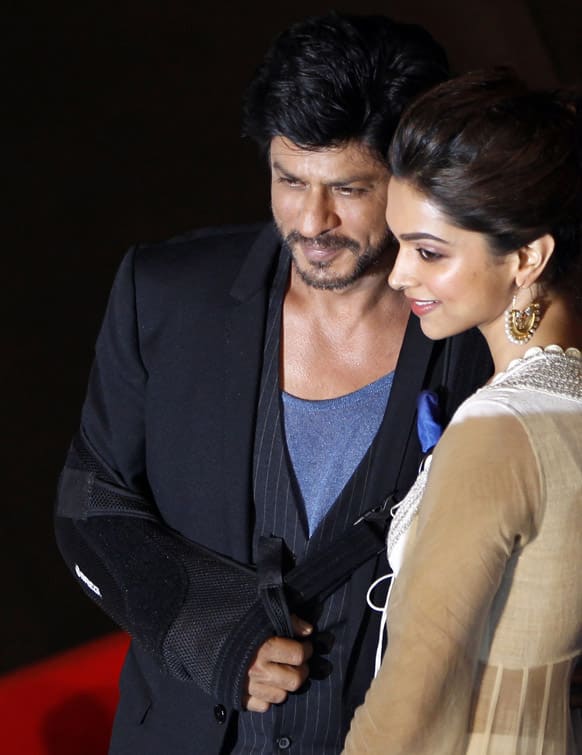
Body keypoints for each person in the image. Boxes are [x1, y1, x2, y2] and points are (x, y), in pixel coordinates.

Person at [54, 13, 492, 755]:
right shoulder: (163, 296)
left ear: (411, 179)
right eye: (290, 180)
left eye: (349, 188)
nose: (312, 220)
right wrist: (207, 630)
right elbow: (89, 508)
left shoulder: (482, 335)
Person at [343, 69, 582, 754]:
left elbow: (409, 704)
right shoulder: (566, 404)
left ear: (527, 257)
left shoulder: (500, 432)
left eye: (428, 252)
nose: (397, 274)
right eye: (400, 244)